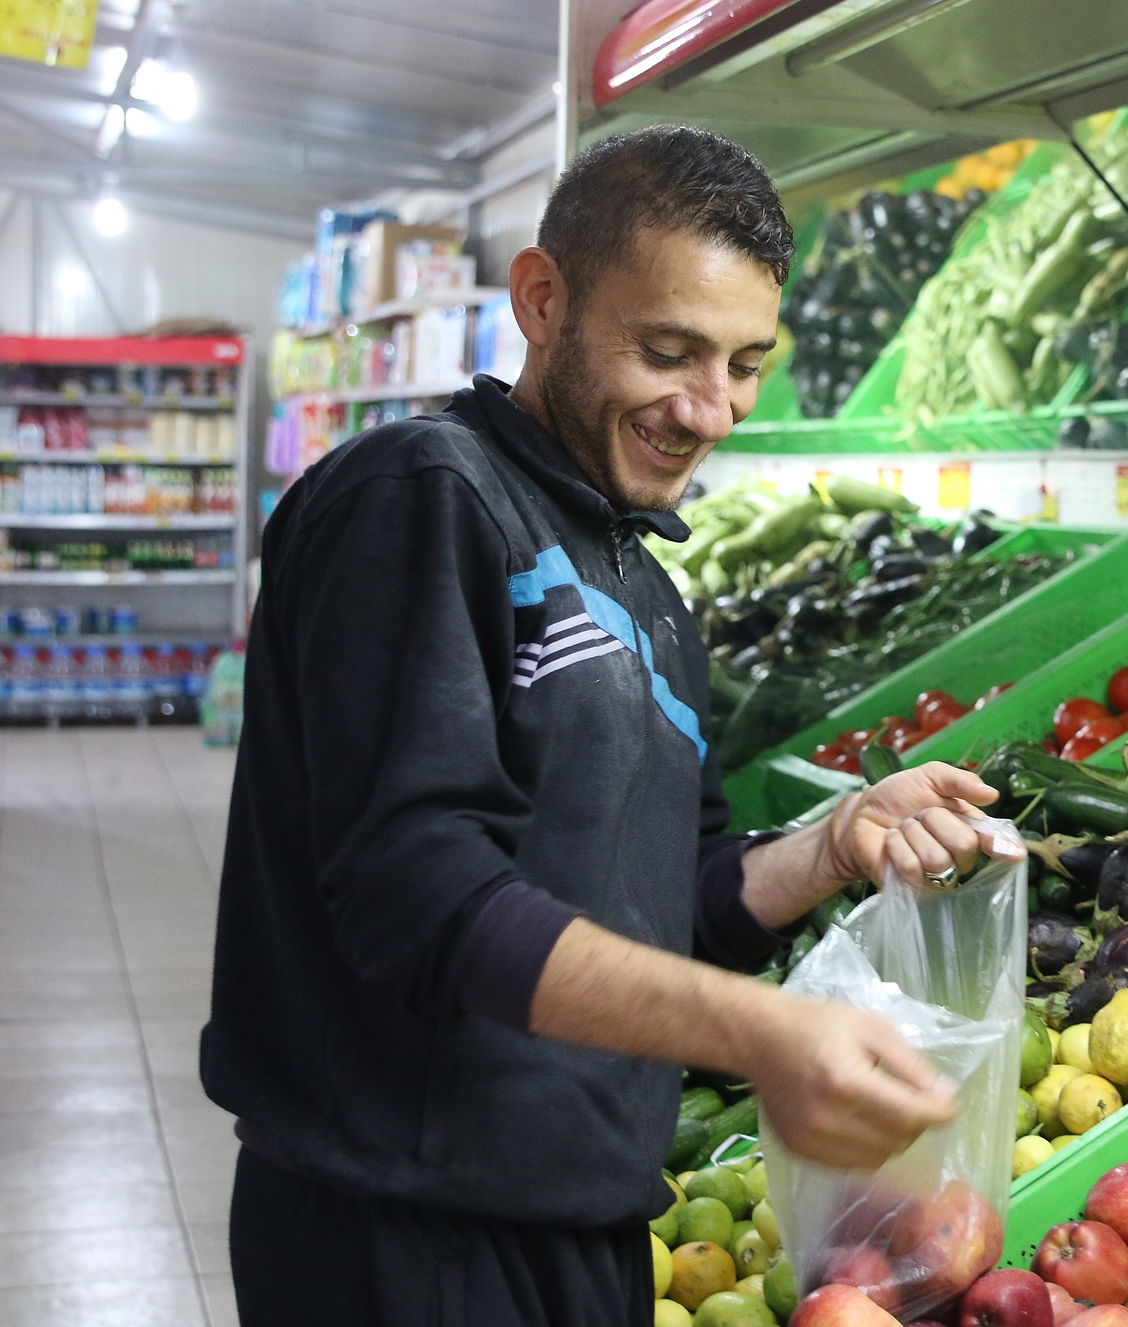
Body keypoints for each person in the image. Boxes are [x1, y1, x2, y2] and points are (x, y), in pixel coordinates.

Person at [203, 124, 996, 1327]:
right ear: (541, 298)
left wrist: (833, 845)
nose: (710, 409)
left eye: (743, 363)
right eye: (669, 351)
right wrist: (764, 1031)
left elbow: (666, 905)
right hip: (402, 1232)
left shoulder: (643, 588)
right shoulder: (424, 501)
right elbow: (416, 895)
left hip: (585, 1223)